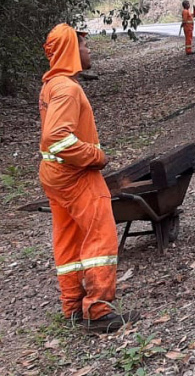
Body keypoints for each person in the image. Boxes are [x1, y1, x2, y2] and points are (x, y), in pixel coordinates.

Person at [38, 24, 138, 333]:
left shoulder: (51, 85)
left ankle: (72, 306)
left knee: (67, 240)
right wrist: (97, 157)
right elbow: (56, 139)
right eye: (84, 44)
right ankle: (97, 311)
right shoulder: (67, 89)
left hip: (54, 176)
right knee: (100, 236)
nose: (89, 49)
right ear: (71, 50)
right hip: (76, 176)